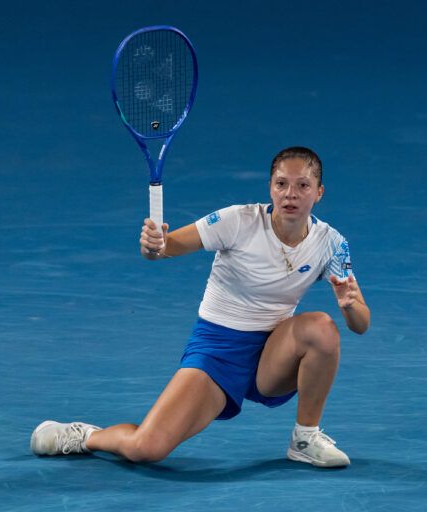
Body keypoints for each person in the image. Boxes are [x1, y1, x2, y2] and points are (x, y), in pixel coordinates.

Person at [30, 146, 370, 468]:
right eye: (281, 184)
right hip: (217, 351)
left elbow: (360, 324)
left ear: (319, 192)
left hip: (273, 354)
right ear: (270, 187)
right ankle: (87, 436)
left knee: (322, 328)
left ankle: (305, 440)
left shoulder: (331, 244)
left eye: (302, 185)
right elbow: (166, 247)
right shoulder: (237, 221)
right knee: (146, 449)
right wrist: (153, 245)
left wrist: (350, 305)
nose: (290, 194)